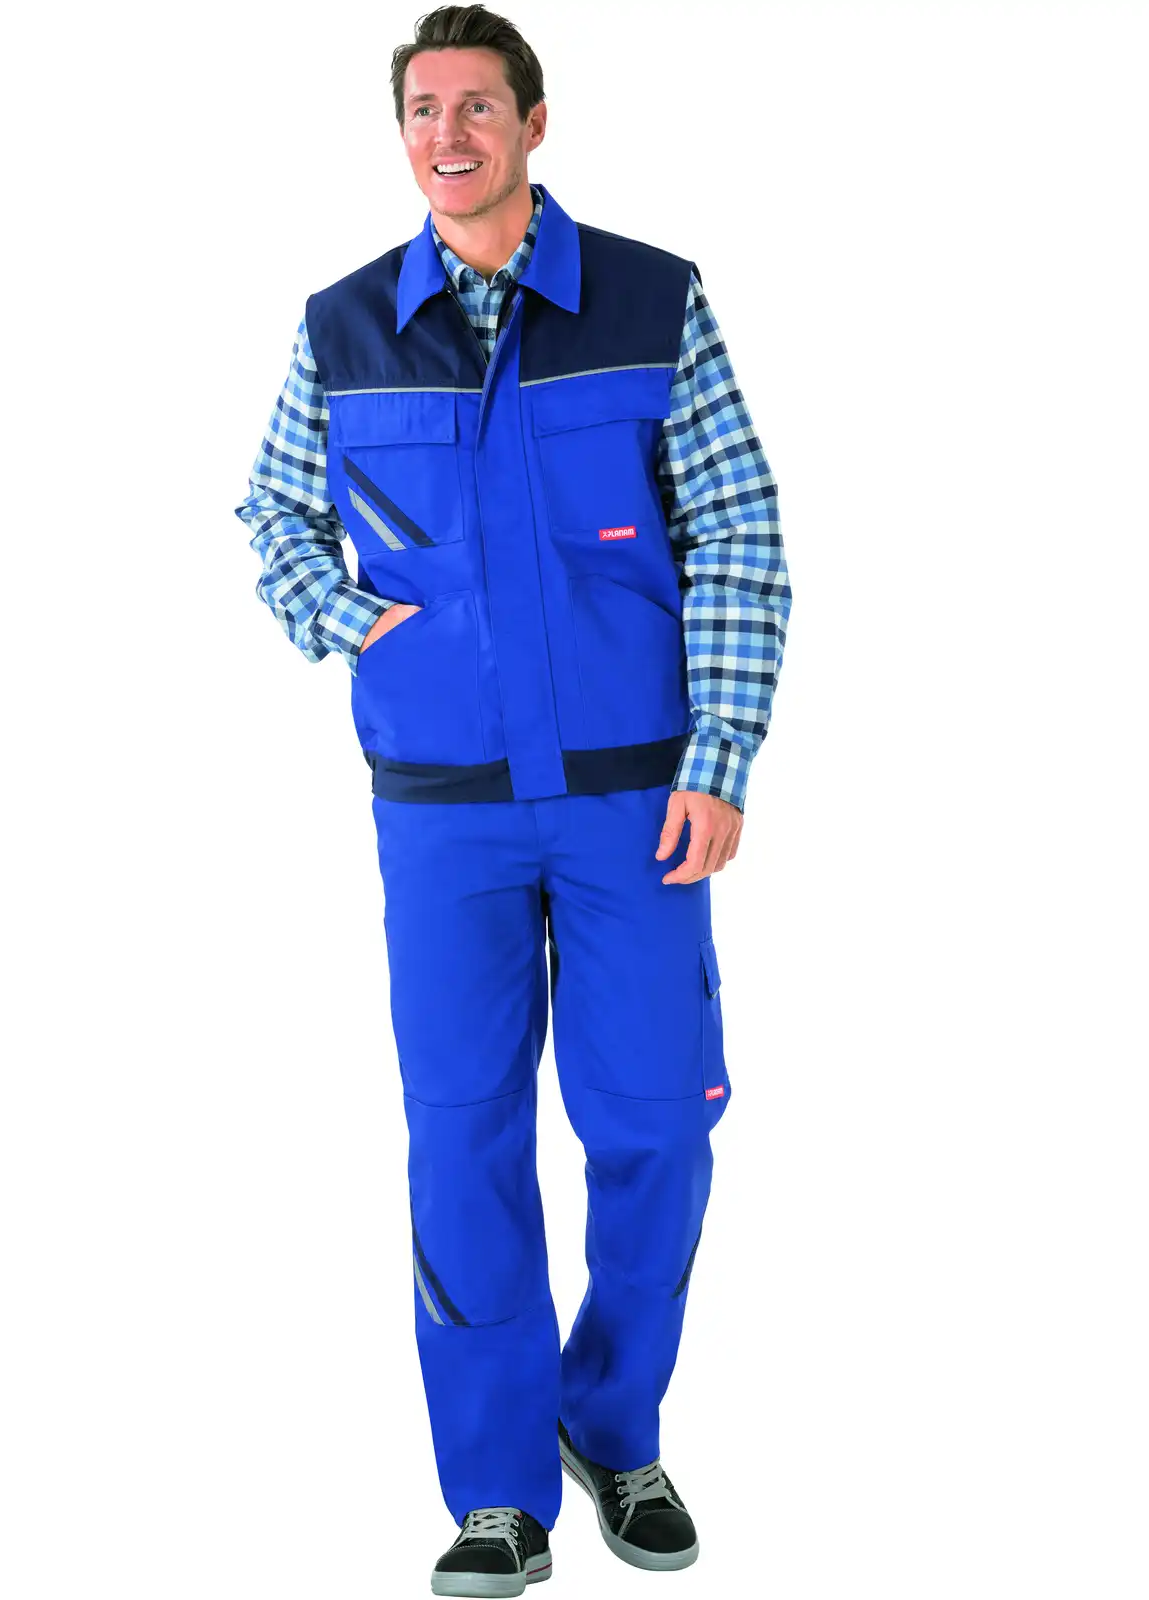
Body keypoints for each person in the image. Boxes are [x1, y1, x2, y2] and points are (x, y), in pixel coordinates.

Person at [234, 7, 791, 1593]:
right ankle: (496, 1493)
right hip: (445, 815)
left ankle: (613, 1426)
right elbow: (271, 512)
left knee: (658, 1124)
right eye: (423, 109)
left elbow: (740, 530)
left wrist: (721, 758)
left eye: (479, 105)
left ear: (536, 124)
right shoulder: (344, 327)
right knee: (462, 1136)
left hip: (634, 805)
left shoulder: (652, 301)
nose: (449, 135)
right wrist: (360, 624)